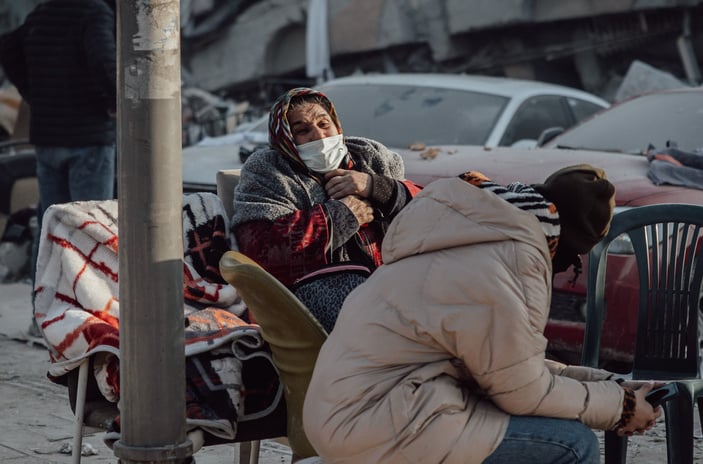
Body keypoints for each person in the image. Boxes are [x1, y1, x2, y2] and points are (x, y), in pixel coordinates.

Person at [303, 165, 662, 463]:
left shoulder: (469, 235)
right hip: (380, 423)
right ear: (565, 243)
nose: (567, 268)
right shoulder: (505, 263)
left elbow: (503, 366)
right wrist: (623, 407)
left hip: (357, 412)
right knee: (572, 444)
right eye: (573, 259)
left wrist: (605, 385)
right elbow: (521, 391)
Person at [231, 87, 422, 331]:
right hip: (319, 293)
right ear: (286, 139)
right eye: (302, 130)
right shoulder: (268, 172)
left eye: (324, 124)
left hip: (393, 280)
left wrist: (375, 186)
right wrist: (342, 215)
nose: (319, 136)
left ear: (337, 125)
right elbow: (261, 250)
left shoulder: (369, 158)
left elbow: (427, 211)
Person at [0, 0, 117, 336]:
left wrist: (35, 93)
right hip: (89, 138)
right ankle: (89, 318)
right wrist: (112, 102)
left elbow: (8, 48)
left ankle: (43, 319)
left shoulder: (42, 12)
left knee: (50, 226)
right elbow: (103, 60)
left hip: (48, 138)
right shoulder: (94, 11)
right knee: (90, 229)